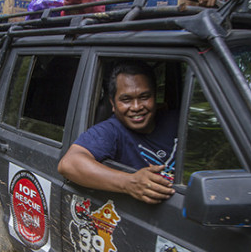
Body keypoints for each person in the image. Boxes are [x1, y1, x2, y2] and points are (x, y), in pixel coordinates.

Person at [58, 61, 177, 204]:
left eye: (144, 97)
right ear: (113, 104)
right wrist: (129, 183)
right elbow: (69, 164)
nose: (136, 107)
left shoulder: (176, 120)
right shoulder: (111, 130)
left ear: (155, 96)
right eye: (126, 100)